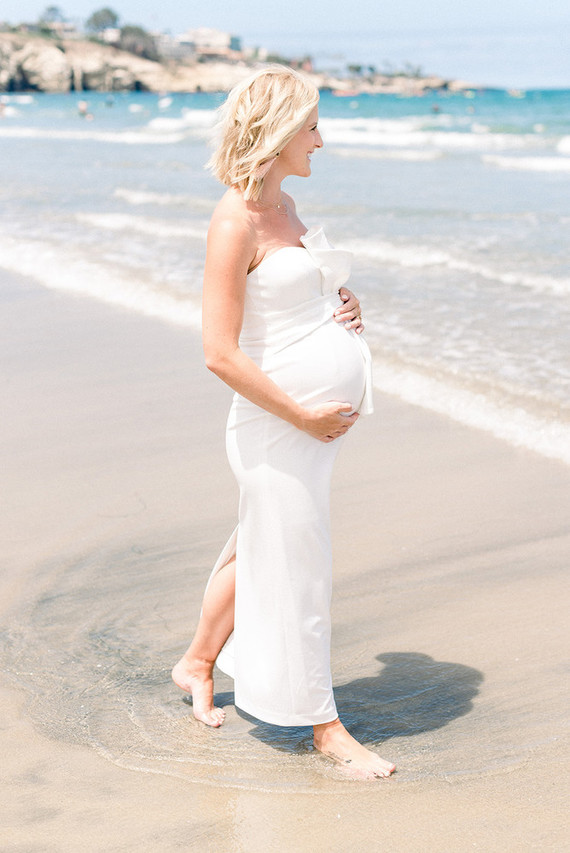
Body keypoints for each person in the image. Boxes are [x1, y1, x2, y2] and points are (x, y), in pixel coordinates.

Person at [172, 66, 395, 780]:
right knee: (300, 567)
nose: (321, 141)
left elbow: (296, 296)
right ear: (278, 131)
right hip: (277, 425)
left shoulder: (289, 207)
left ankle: (197, 661)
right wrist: (302, 414)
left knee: (256, 549)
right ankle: (325, 726)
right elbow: (218, 351)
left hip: (310, 428)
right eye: (312, 127)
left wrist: (346, 306)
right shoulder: (232, 219)